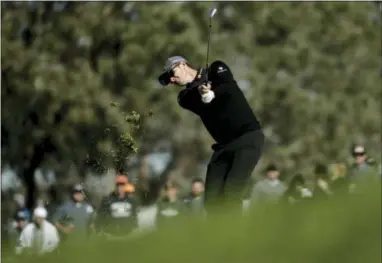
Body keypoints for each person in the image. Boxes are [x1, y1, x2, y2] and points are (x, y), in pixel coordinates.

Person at [158, 56, 264, 210]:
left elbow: (229, 88)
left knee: (231, 193)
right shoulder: (184, 97)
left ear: (182, 64)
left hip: (247, 138)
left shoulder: (216, 69)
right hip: (223, 146)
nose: (172, 80)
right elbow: (199, 101)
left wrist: (212, 92)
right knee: (211, 200)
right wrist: (202, 91)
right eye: (169, 80)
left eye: (172, 73)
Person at [93, 175, 138, 240]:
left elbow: (134, 216)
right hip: (111, 236)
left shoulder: (131, 201)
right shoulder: (108, 200)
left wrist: (135, 228)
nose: (121, 187)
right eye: (119, 185)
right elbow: (100, 216)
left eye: (123, 185)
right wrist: (99, 231)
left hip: (128, 236)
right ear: (116, 186)